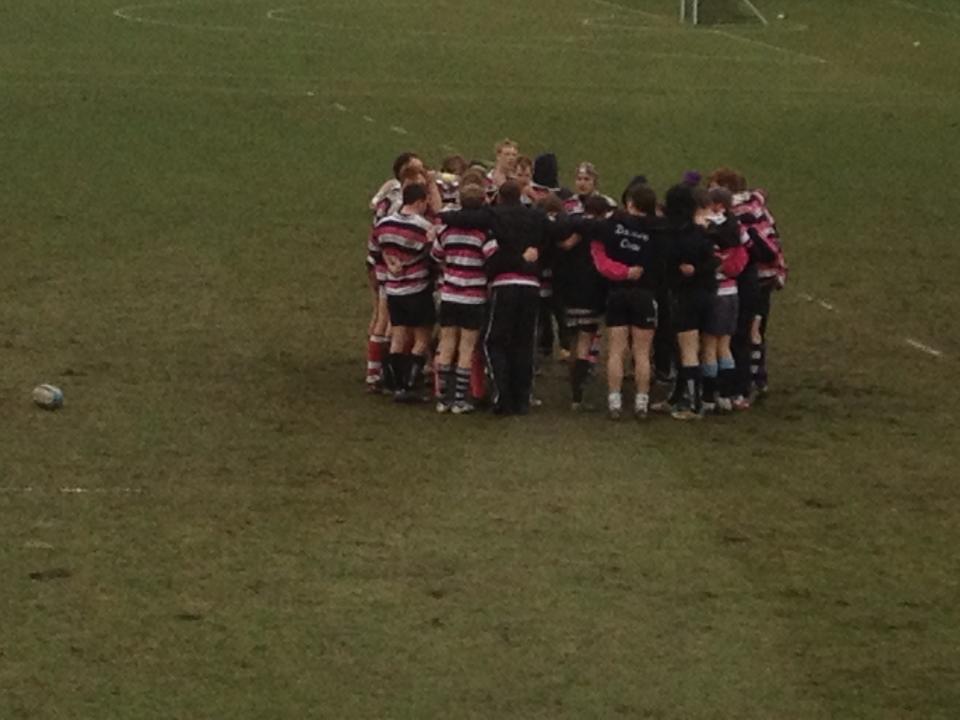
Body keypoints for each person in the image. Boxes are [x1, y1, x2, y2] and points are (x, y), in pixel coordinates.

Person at [440, 180, 556, 415]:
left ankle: (502, 396)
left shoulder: (493, 215)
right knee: (524, 343)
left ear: (499, 197)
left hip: (505, 284)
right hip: (531, 284)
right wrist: (538, 254)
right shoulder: (536, 216)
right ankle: (522, 399)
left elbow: (465, 218)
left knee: (494, 341)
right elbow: (554, 234)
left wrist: (442, 217)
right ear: (521, 195)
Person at [585, 185, 666, 420]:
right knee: (642, 352)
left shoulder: (614, 224)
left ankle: (614, 400)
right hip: (645, 294)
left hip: (617, 292)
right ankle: (642, 402)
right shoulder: (659, 229)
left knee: (616, 350)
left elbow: (597, 246)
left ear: (630, 203)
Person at [371, 183, 437, 402]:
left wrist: (390, 263)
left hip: (393, 289)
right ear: (419, 202)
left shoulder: (384, 224)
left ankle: (395, 383)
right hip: (417, 289)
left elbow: (375, 252)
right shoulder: (423, 228)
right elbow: (433, 256)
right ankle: (409, 384)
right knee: (422, 338)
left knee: (397, 336)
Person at [430, 184, 493, 414]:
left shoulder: (447, 231)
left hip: (449, 294)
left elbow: (435, 254)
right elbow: (491, 260)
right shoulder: (483, 234)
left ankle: (442, 399)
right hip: (473, 296)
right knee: (466, 348)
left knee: (447, 345)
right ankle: (459, 399)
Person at [662, 184, 719, 420]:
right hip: (708, 294)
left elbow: (667, 267)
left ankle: (693, 405)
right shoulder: (701, 233)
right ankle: (681, 397)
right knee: (702, 347)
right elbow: (714, 261)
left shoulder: (671, 235)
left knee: (687, 350)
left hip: (684, 296)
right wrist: (699, 270)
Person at [554, 194, 610, 409]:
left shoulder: (570, 228)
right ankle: (578, 395)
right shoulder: (601, 232)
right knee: (585, 341)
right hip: (590, 292)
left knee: (574, 339)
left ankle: (574, 389)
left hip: (568, 290)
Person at [701, 187, 748, 413]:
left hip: (715, 292)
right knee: (725, 346)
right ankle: (727, 395)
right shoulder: (735, 227)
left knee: (709, 346)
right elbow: (741, 257)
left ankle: (709, 397)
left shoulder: (708, 227)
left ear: (717, 205)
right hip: (732, 292)